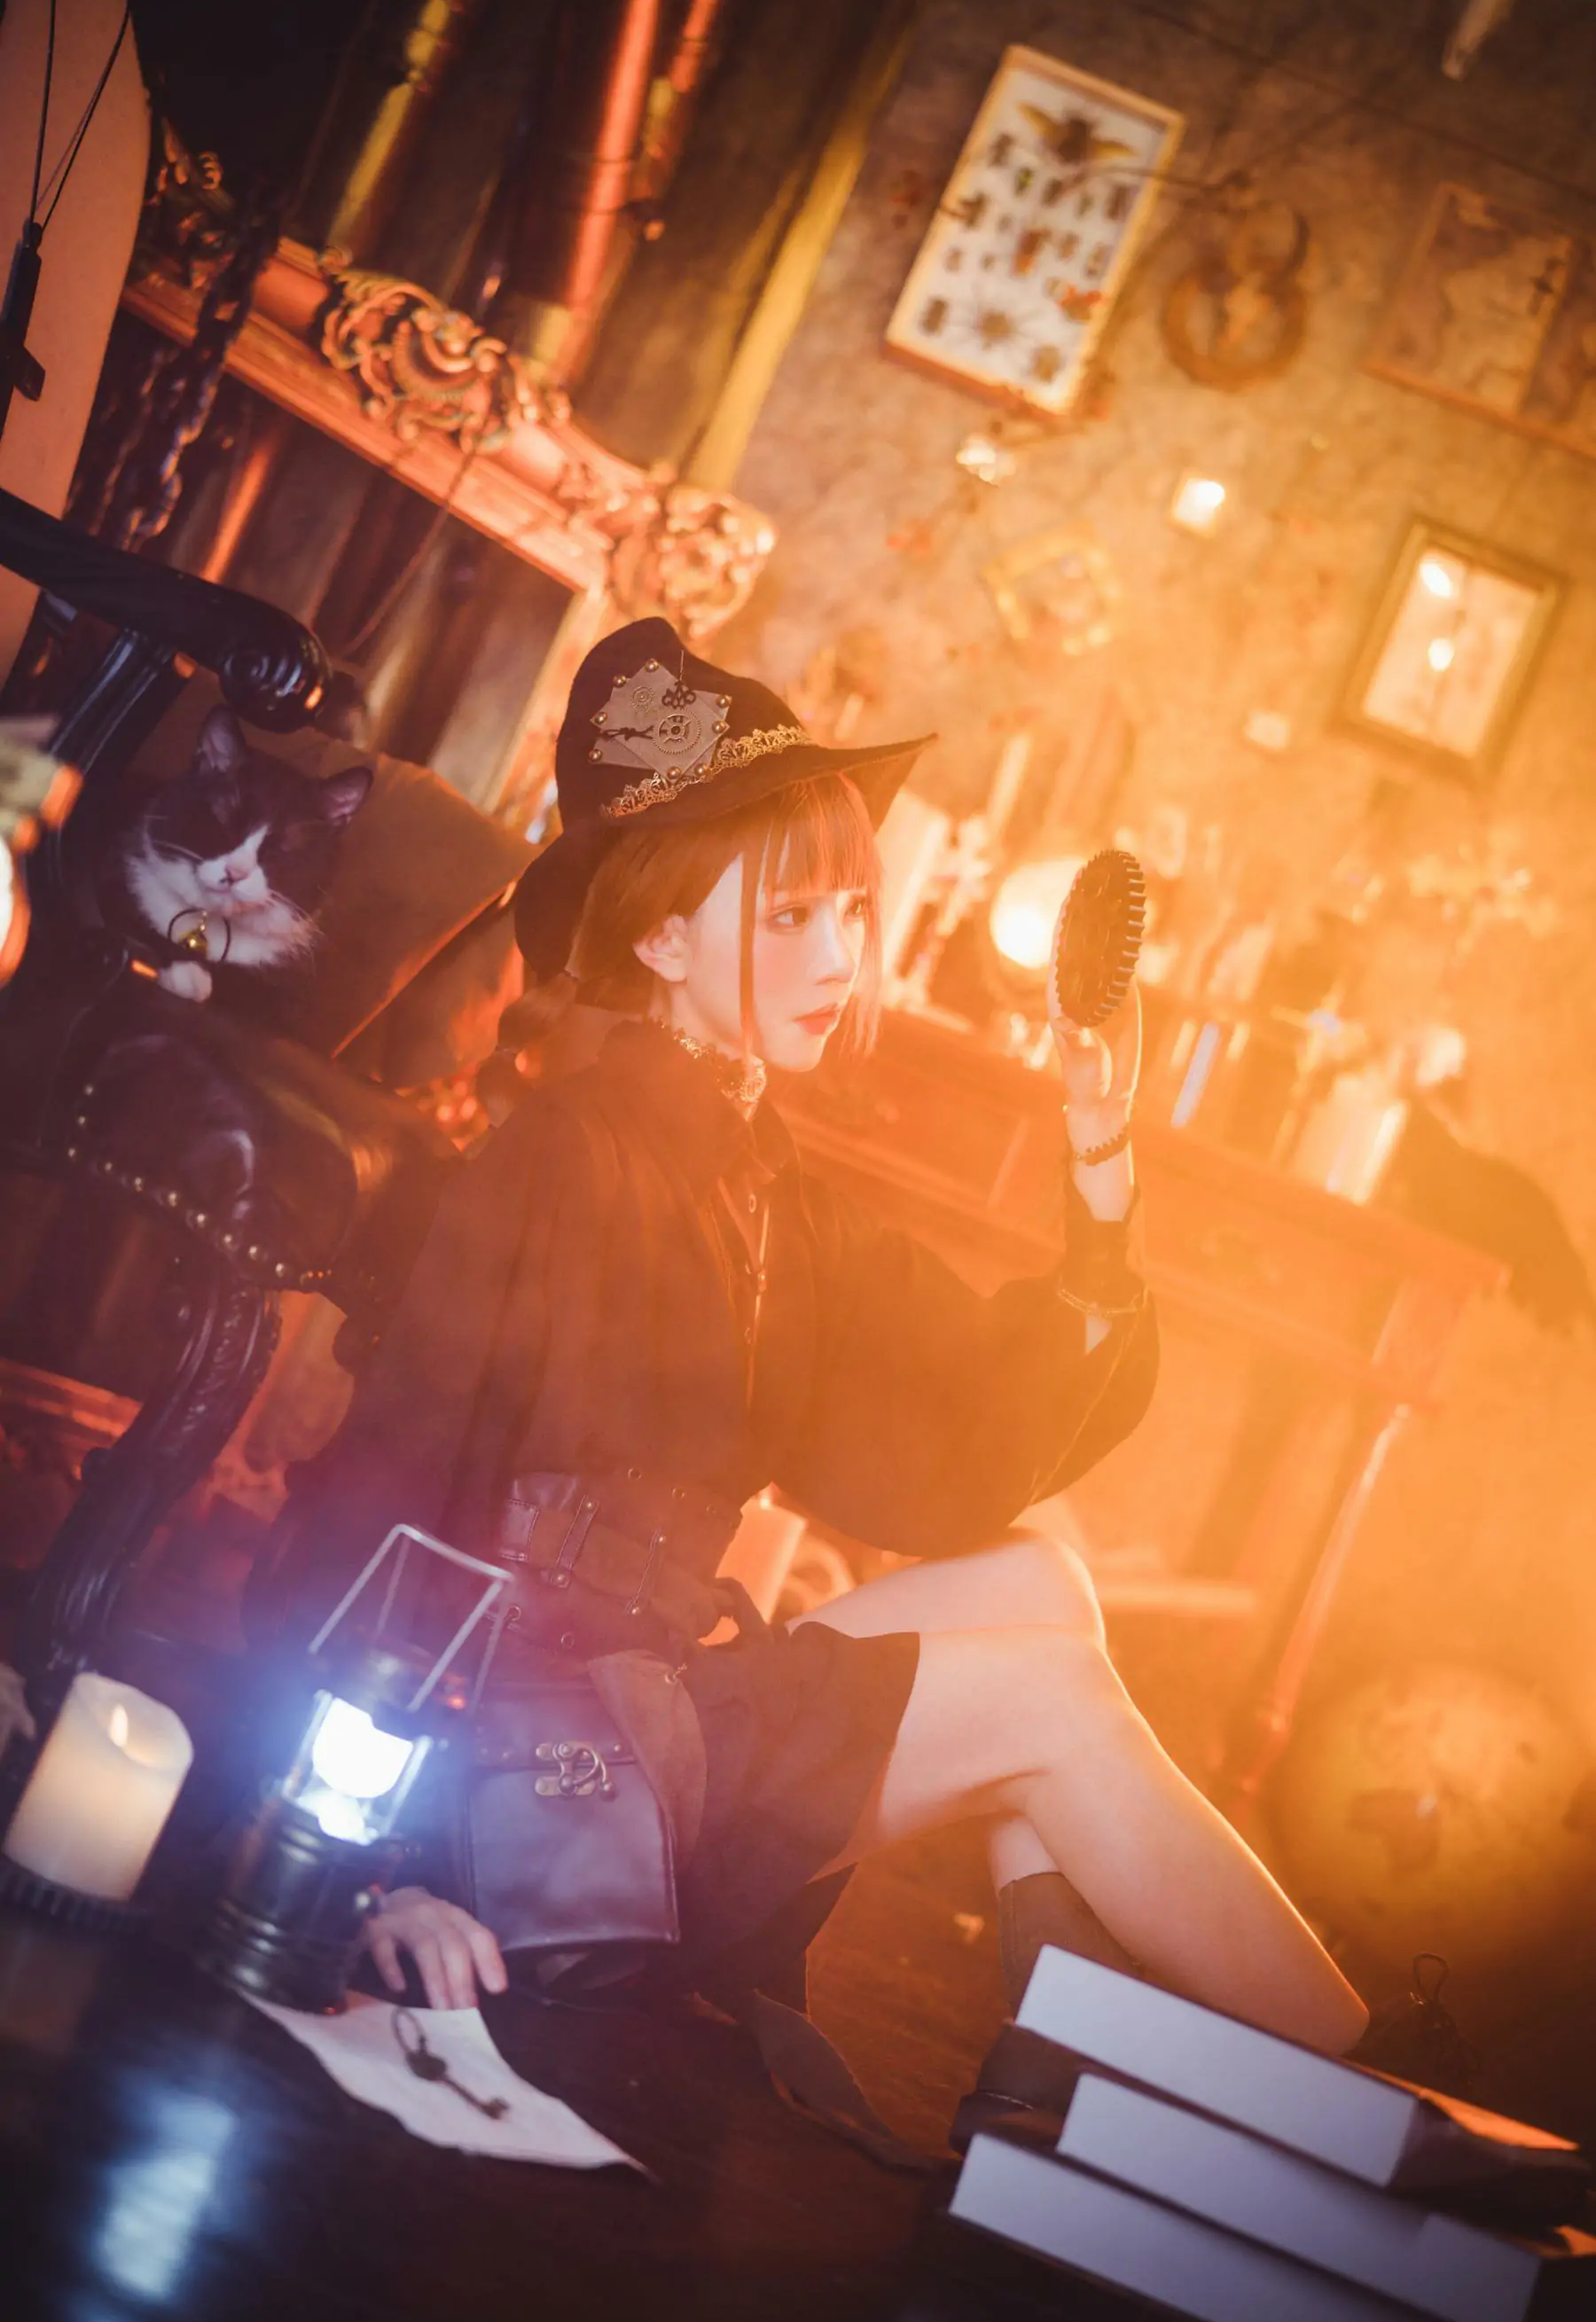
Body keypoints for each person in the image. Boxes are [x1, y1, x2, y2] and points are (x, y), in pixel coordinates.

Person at [260, 618, 1365, 2068]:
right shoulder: (564, 1159)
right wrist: (366, 1865)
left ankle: (1055, 2064)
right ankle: (1377, 2104)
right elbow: (391, 1487)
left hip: (649, 1693)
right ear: (661, 937)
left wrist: (1100, 1138)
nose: (841, 956)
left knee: (1041, 1577)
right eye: (789, 916)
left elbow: (971, 1423)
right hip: (543, 1780)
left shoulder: (764, 1183)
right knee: (1048, 1694)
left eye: (850, 909)